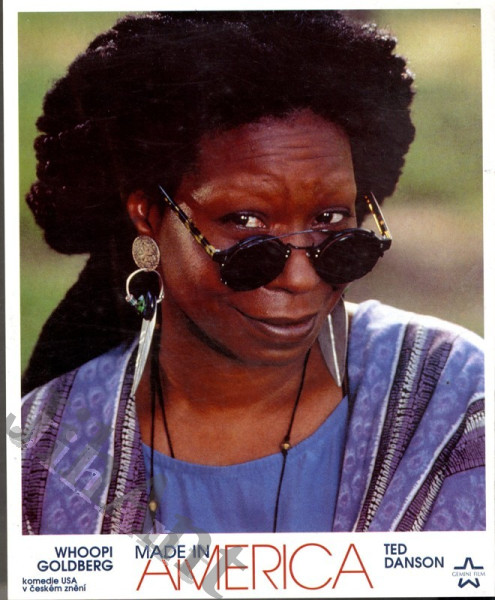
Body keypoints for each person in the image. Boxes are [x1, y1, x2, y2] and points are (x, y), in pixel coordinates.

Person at [21, 11, 484, 535]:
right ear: (149, 216)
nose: (301, 278)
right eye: (245, 222)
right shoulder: (43, 453)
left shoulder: (454, 402)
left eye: (331, 218)